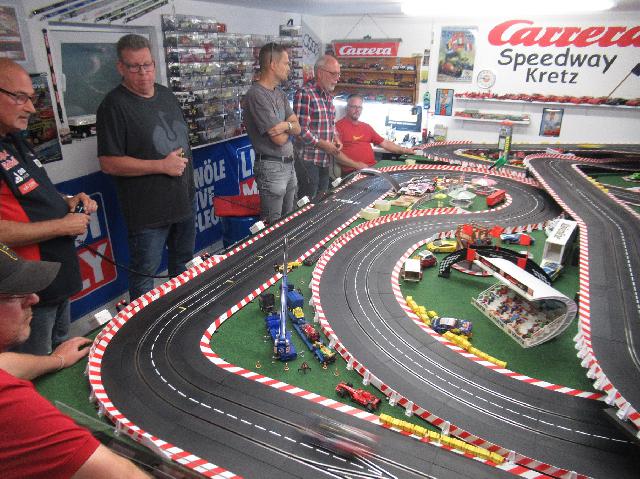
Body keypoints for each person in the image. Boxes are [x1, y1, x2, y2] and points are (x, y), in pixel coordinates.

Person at [0, 242, 148, 478]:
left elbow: (4, 365)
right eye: (17, 294)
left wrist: (57, 360)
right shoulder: (8, 402)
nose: (34, 299)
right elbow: (121, 474)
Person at [0, 58, 98, 356]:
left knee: (61, 355)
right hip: (24, 293)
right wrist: (61, 225)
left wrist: (67, 202)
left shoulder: (14, 139)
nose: (31, 108)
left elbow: (32, 195)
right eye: (21, 97)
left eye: (32, 98)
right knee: (37, 365)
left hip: (55, 279)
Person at [97, 34, 195, 301]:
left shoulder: (166, 94)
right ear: (121, 67)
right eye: (134, 67)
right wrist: (161, 166)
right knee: (144, 275)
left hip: (183, 201)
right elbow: (108, 163)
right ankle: (143, 325)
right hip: (148, 213)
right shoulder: (113, 106)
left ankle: (182, 312)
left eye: (147, 65)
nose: (143, 73)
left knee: (184, 264)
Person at [243, 43, 301, 225]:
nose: (289, 67)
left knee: (289, 222)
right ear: (273, 65)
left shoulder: (280, 94)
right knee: (272, 228)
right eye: (286, 63)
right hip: (271, 169)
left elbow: (298, 127)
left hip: (289, 165)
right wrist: (290, 127)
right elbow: (278, 139)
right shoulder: (256, 95)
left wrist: (284, 125)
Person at [293, 55, 344, 200]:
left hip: (324, 159)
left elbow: (330, 123)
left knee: (321, 202)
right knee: (308, 204)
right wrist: (323, 144)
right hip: (308, 161)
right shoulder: (305, 93)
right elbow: (300, 130)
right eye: (333, 74)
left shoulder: (327, 95)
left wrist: (336, 138)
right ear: (320, 73)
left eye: (338, 74)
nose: (337, 78)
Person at [336, 94, 416, 175]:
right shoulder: (338, 127)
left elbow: (385, 143)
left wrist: (405, 150)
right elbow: (335, 153)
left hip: (372, 169)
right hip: (354, 172)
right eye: (354, 107)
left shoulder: (366, 127)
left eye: (359, 107)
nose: (357, 110)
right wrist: (356, 165)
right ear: (347, 108)